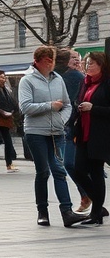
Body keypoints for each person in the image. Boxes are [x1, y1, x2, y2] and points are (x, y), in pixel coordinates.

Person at [19, 46, 88, 228]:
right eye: (47, 60)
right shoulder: (27, 80)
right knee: (43, 172)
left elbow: (66, 105)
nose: (51, 63)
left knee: (59, 170)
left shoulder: (58, 79)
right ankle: (42, 211)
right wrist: (50, 105)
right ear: (38, 61)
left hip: (56, 132)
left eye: (53, 60)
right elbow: (25, 107)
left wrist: (62, 120)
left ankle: (67, 211)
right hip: (36, 132)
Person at [69, 52, 110, 226]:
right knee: (78, 170)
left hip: (100, 135)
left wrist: (93, 108)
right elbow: (77, 101)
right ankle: (98, 206)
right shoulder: (84, 82)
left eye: (91, 63)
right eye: (86, 63)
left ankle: (96, 214)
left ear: (101, 64)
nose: (87, 66)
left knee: (96, 171)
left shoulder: (107, 83)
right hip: (83, 133)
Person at [56, 49, 89, 212]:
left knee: (70, 163)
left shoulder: (75, 77)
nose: (77, 61)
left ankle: (89, 195)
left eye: (78, 58)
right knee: (70, 163)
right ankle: (90, 196)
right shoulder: (61, 76)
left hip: (77, 127)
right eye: (73, 58)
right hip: (69, 128)